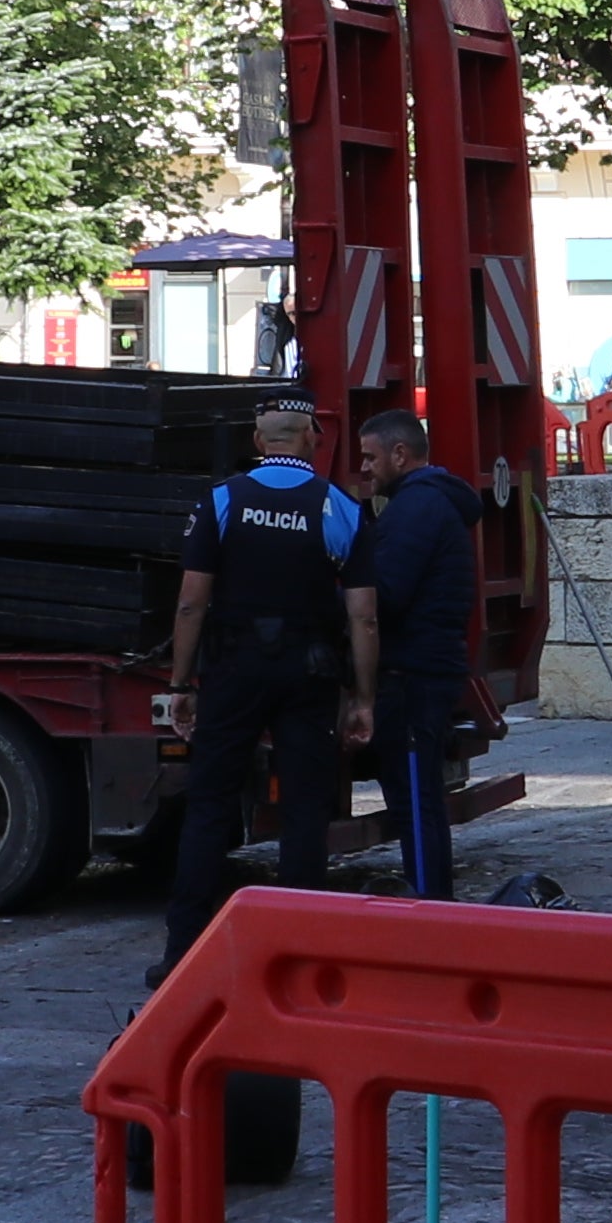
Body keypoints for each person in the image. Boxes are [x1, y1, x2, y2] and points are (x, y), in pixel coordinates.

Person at [157, 398, 372, 971]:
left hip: (232, 673)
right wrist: (363, 698)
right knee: (305, 810)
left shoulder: (223, 501)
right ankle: (296, 950)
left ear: (258, 441)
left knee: (209, 806)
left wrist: (182, 683)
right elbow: (363, 617)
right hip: (310, 674)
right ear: (312, 438)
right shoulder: (339, 506)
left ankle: (182, 952)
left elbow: (190, 602)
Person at [349, 408, 479, 899]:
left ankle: (430, 905)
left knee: (414, 800)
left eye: (370, 456)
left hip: (412, 672)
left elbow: (386, 591)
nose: (364, 467)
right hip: (427, 667)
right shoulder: (426, 503)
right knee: (416, 795)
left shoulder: (414, 508)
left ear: (400, 454)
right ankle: (430, 899)